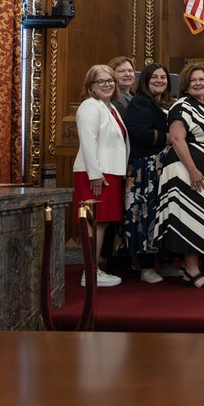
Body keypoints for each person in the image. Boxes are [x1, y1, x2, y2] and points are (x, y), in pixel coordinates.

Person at [155, 63, 204, 289]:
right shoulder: (181, 106)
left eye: (202, 79)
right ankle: (191, 269)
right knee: (191, 218)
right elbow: (177, 139)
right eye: (193, 80)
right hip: (186, 170)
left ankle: (190, 269)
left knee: (202, 217)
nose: (198, 83)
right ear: (185, 85)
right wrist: (193, 170)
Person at [72, 64, 128, 288]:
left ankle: (93, 269)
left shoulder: (109, 107)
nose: (107, 84)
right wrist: (94, 175)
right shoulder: (89, 106)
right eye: (101, 81)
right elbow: (88, 141)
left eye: (110, 80)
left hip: (108, 172)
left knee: (101, 223)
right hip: (95, 173)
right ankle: (90, 272)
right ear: (90, 86)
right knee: (94, 223)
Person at [122, 62, 173, 283]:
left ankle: (165, 262)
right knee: (144, 216)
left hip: (161, 168)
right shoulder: (140, 102)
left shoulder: (164, 103)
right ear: (145, 80)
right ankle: (146, 267)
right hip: (144, 170)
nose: (159, 81)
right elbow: (140, 133)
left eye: (163, 77)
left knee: (161, 215)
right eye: (155, 77)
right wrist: (170, 138)